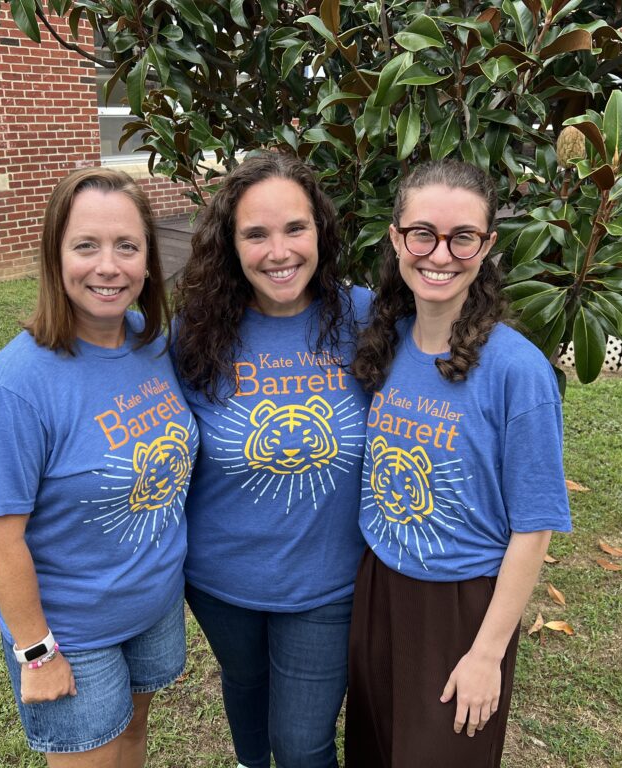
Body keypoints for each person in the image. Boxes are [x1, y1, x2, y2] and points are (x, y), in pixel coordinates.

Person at [0, 167, 198, 768]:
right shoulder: (16, 387)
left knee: (133, 740)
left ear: (149, 259)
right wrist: (37, 653)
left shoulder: (150, 341)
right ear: (55, 256)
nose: (109, 266)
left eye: (127, 246)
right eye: (86, 246)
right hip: (72, 632)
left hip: (153, 608)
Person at [345, 159, 572, 767]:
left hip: (460, 606)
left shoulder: (517, 372)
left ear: (487, 245)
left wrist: (486, 653)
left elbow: (534, 526)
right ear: (396, 239)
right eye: (422, 233)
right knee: (373, 752)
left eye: (462, 237)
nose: (439, 254)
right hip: (378, 589)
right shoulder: (383, 343)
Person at [171, 151, 371, 768]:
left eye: (295, 228)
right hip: (220, 582)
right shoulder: (194, 331)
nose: (278, 251)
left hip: (328, 583)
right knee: (247, 694)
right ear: (229, 245)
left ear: (321, 231)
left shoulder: (366, 318)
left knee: (303, 745)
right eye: (255, 233)